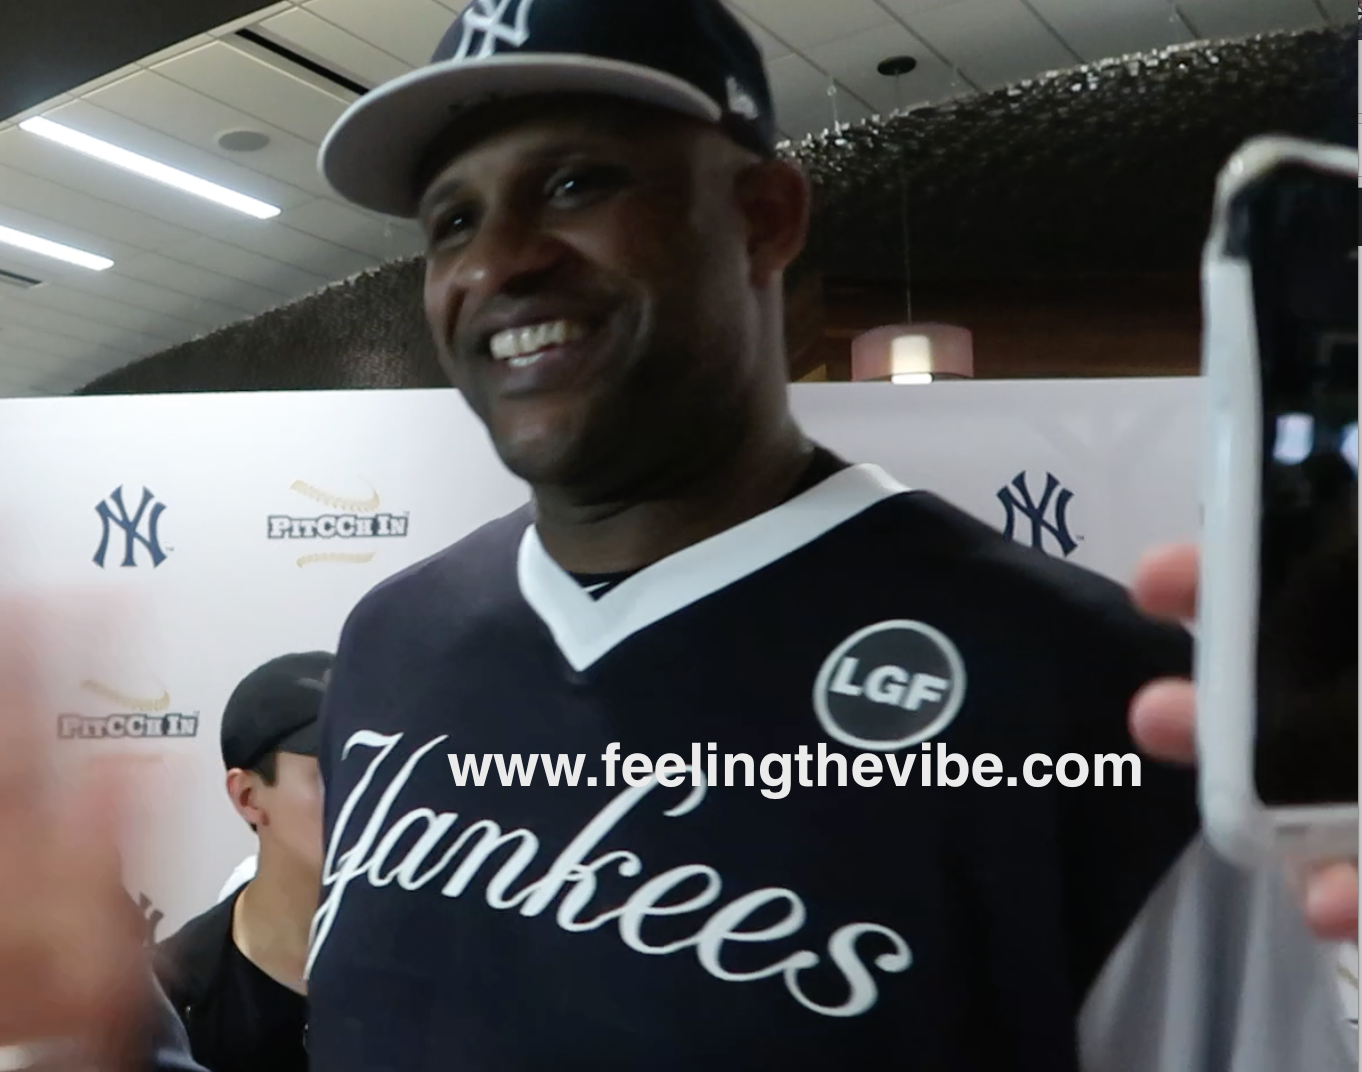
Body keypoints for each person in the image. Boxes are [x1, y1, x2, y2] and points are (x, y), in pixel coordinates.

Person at [0, 4, 1353, 1072]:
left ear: (763, 216)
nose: (496, 260)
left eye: (576, 181)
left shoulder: (1090, 691)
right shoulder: (394, 642)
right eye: (451, 220)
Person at [151, 652, 332, 1072]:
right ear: (248, 797)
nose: (363, 795)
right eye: (329, 772)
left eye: (371, 765)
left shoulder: (439, 960)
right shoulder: (170, 998)